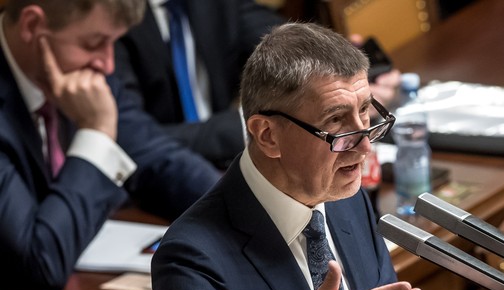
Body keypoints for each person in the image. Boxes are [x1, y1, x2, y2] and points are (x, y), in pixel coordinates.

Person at [152, 22, 428, 290]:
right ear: (268, 135)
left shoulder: (348, 199)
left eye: (365, 112)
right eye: (336, 122)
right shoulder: (193, 255)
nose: (364, 147)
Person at [0, 0, 221, 290]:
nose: (107, 64)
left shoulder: (85, 72)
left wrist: (243, 211)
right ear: (32, 26)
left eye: (113, 44)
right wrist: (96, 132)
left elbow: (160, 158)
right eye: (94, 43)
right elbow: (39, 262)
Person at [113, 0, 402, 170]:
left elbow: (281, 42)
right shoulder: (108, 21)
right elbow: (129, 139)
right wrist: (256, 125)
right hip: (142, 195)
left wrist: (342, 85)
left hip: (232, 167)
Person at [113, 0, 284, 170]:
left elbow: (295, 50)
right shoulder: (113, 16)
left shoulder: (219, 5)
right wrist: (240, 128)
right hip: (154, 180)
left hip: (230, 167)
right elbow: (131, 138)